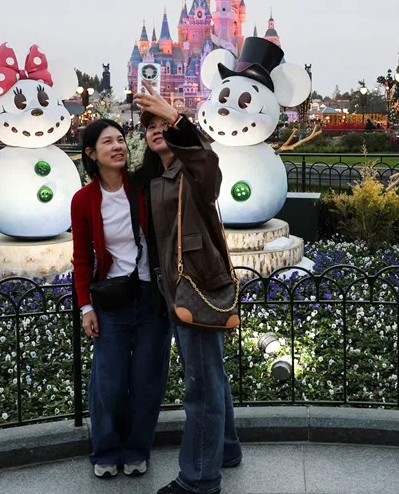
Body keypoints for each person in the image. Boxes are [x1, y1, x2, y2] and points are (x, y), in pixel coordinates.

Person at [133, 80, 242, 494]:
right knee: (211, 372)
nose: (156, 129)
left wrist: (178, 119)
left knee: (201, 383)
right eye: (149, 125)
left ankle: (199, 478)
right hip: (172, 288)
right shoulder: (155, 178)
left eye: (162, 122)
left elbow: (208, 163)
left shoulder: (193, 174)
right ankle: (226, 448)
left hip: (195, 284)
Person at [71, 118, 172, 479]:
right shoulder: (83, 200)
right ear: (91, 153)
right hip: (111, 299)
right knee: (109, 382)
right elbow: (82, 258)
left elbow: (171, 162)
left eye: (120, 140)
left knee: (147, 379)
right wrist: (85, 307)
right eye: (107, 142)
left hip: (151, 298)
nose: (117, 147)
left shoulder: (142, 186)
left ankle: (136, 449)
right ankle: (105, 449)